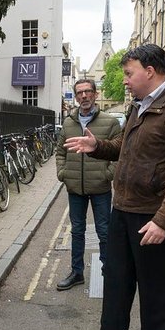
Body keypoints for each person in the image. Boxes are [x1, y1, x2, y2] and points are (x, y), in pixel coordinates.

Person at [64, 44, 165, 330]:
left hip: (152, 214)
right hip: (123, 206)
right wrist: (97, 148)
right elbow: (122, 148)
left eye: (129, 73)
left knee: (155, 287)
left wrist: (164, 220)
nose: (125, 81)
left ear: (150, 71)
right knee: (117, 278)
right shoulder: (140, 106)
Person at [55, 78, 120, 290]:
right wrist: (63, 173)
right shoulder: (68, 122)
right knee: (77, 231)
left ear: (95, 94)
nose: (84, 96)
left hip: (100, 187)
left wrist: (107, 174)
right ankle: (76, 272)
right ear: (75, 96)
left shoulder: (110, 122)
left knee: (104, 231)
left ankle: (108, 272)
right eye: (80, 92)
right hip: (74, 187)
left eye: (88, 92)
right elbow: (60, 151)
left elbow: (120, 154)